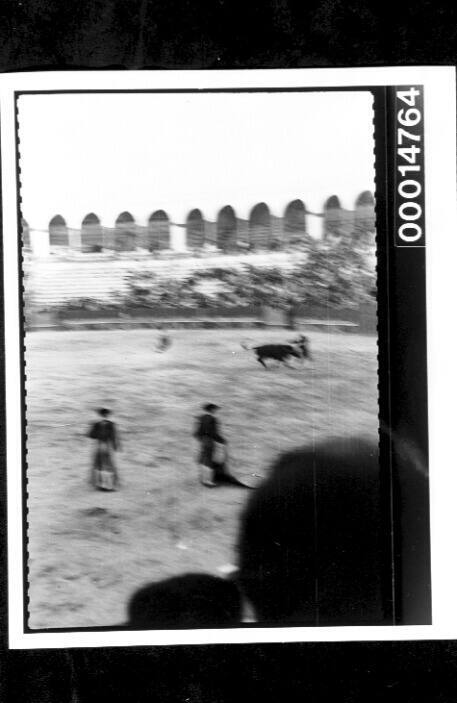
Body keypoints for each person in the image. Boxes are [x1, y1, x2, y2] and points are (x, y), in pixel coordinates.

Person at [87, 408, 120, 491]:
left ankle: (100, 485)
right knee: (108, 465)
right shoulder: (111, 424)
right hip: (107, 446)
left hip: (99, 446)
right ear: (107, 415)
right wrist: (115, 446)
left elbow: (91, 435)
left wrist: (92, 427)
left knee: (99, 464)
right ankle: (109, 485)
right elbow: (113, 437)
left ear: (100, 415)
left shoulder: (96, 424)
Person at [194, 403, 226, 487]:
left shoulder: (201, 418)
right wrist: (222, 441)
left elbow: (197, 432)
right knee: (209, 460)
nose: (216, 411)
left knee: (203, 459)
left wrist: (201, 439)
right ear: (212, 410)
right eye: (215, 409)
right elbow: (214, 433)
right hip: (210, 441)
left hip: (203, 441)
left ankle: (203, 479)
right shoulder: (213, 419)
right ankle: (208, 481)